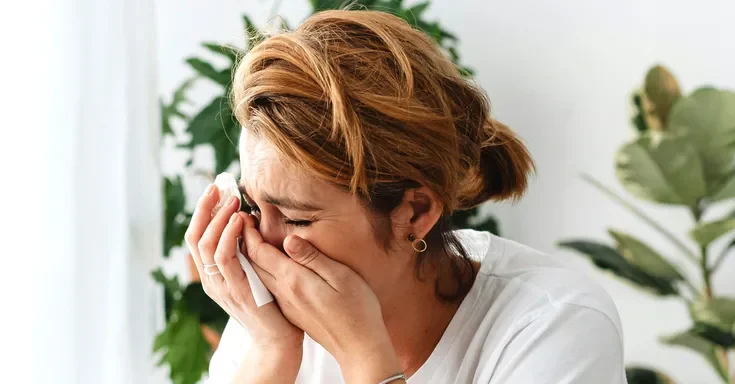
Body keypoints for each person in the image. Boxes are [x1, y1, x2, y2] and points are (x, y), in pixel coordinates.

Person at [185, 9, 626, 384]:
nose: (259, 241)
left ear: (414, 213)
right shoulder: (267, 326)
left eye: (298, 220)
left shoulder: (554, 323)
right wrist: (269, 352)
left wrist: (365, 357)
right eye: (252, 206)